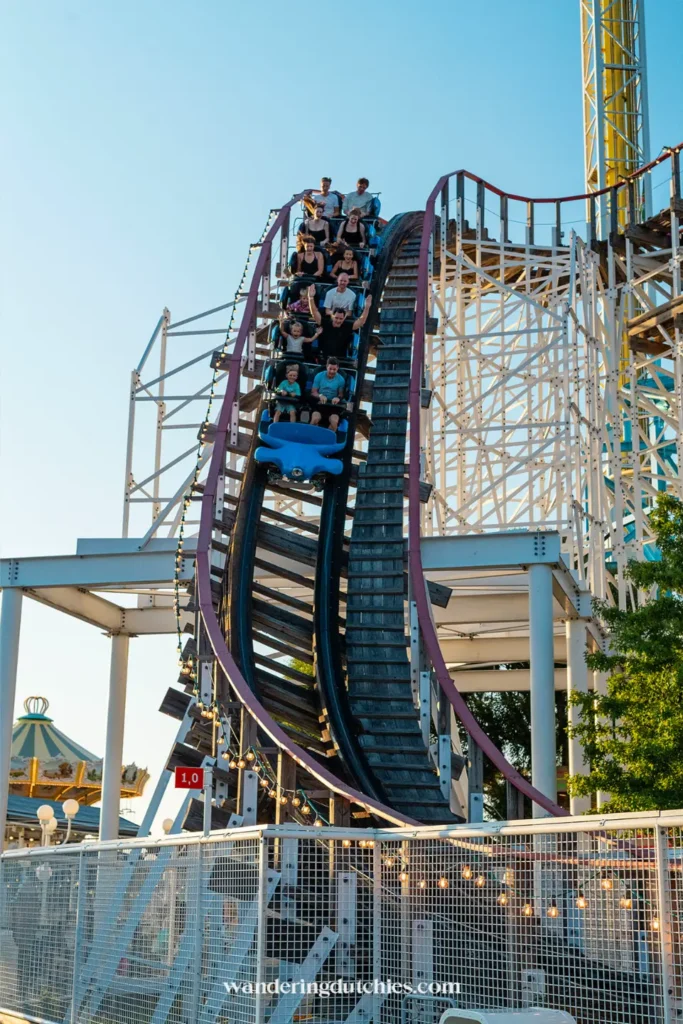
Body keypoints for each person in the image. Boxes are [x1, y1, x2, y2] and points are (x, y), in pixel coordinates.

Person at [310, 286, 372, 361]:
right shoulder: (325, 323)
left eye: (341, 319)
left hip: (340, 360)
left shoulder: (347, 326)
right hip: (323, 357)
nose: (338, 321)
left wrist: (367, 308)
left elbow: (361, 321)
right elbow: (314, 312)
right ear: (332, 316)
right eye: (336, 318)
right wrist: (310, 298)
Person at [311, 357, 346, 431]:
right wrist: (320, 395)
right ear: (327, 367)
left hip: (333, 406)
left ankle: (330, 438)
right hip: (320, 404)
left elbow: (341, 394)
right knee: (315, 418)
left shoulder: (341, 379)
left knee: (334, 421)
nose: (332, 371)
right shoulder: (319, 376)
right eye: (330, 369)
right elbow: (313, 392)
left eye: (334, 369)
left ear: (337, 368)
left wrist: (338, 398)